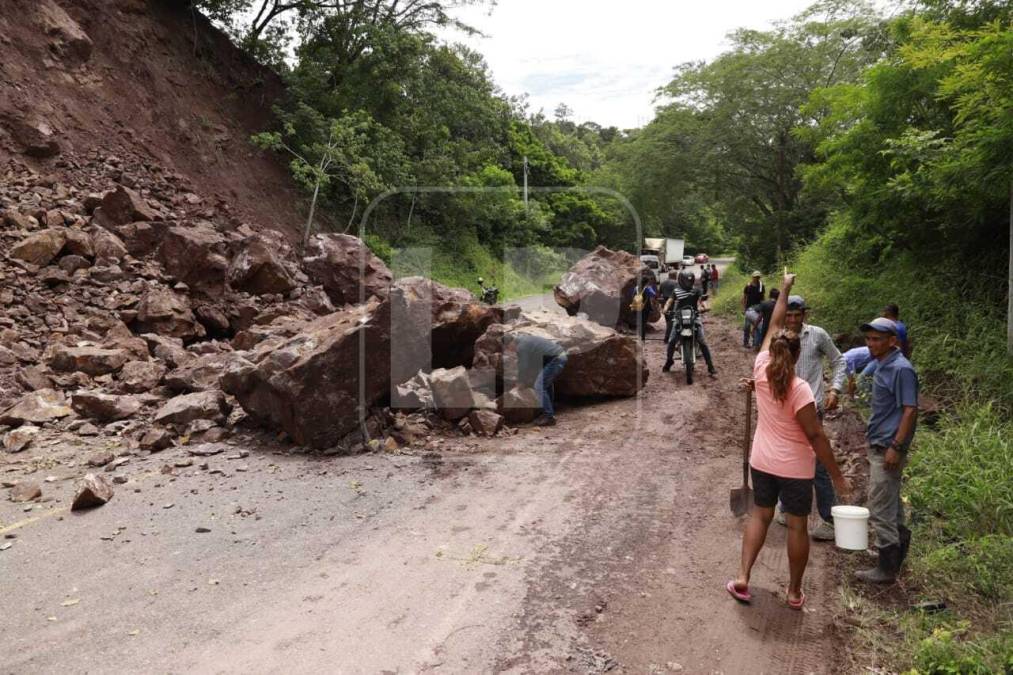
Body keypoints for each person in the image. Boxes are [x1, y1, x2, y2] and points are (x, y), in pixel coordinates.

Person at [726, 270, 851, 609]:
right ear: (798, 356)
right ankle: (794, 593)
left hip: (762, 461)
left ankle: (742, 577)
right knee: (797, 526)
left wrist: (784, 288)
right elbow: (815, 435)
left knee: (760, 516)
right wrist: (837, 476)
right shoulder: (800, 390)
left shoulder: (760, 368)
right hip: (794, 469)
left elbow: (773, 323)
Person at [774, 295, 847, 542]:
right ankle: (785, 507)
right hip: (784, 410)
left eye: (797, 315)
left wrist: (835, 389)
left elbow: (839, 360)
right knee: (785, 458)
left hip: (811, 408)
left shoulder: (817, 335)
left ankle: (829, 519)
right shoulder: (779, 338)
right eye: (789, 316)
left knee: (816, 464)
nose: (793, 320)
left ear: (804, 315)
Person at [855, 316, 918, 584]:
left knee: (879, 505)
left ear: (893, 341)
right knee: (891, 502)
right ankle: (895, 554)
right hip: (880, 443)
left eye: (877, 339)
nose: (871, 344)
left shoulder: (901, 369)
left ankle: (886, 567)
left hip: (888, 448)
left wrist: (896, 446)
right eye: (868, 339)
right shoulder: (882, 364)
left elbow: (910, 410)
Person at [504, 333, 568, 427]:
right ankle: (549, 412)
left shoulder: (522, 346)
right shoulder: (524, 340)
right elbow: (531, 365)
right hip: (558, 357)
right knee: (545, 384)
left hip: (556, 359)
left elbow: (523, 366)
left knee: (539, 385)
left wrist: (521, 382)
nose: (510, 350)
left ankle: (548, 416)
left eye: (508, 348)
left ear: (511, 343)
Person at [661, 270, 717, 377]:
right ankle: (669, 361)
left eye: (689, 281)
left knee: (702, 341)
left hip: (694, 316)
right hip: (679, 317)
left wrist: (705, 307)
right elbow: (669, 301)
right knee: (672, 340)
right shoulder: (676, 291)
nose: (688, 283)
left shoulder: (696, 290)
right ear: (681, 280)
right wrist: (665, 308)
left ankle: (710, 366)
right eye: (686, 281)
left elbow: (702, 301)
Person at [630, 273, 658, 342]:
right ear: (647, 282)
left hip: (637, 307)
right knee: (643, 323)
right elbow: (654, 294)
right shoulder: (647, 288)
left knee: (639, 322)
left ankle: (638, 337)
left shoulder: (636, 288)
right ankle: (642, 339)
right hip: (645, 308)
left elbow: (632, 296)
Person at [742, 272, 765, 347]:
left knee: (757, 325)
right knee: (747, 326)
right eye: (755, 277)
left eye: (758, 277)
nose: (757, 278)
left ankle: (756, 343)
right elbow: (745, 297)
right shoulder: (748, 286)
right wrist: (744, 308)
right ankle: (746, 342)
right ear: (752, 277)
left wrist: (763, 308)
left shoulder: (761, 286)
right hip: (749, 308)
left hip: (758, 308)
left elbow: (763, 298)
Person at [753, 288, 780, 352]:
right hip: (776, 328)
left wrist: (754, 327)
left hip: (765, 327)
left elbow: (760, 317)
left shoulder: (764, 304)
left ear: (769, 295)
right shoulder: (779, 306)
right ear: (778, 296)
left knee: (764, 344)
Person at [659, 271, 679, 344]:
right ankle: (667, 338)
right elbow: (677, 294)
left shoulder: (663, 283)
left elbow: (659, 293)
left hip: (664, 303)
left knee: (668, 321)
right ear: (675, 275)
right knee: (671, 322)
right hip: (672, 304)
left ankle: (670, 336)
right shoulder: (676, 283)